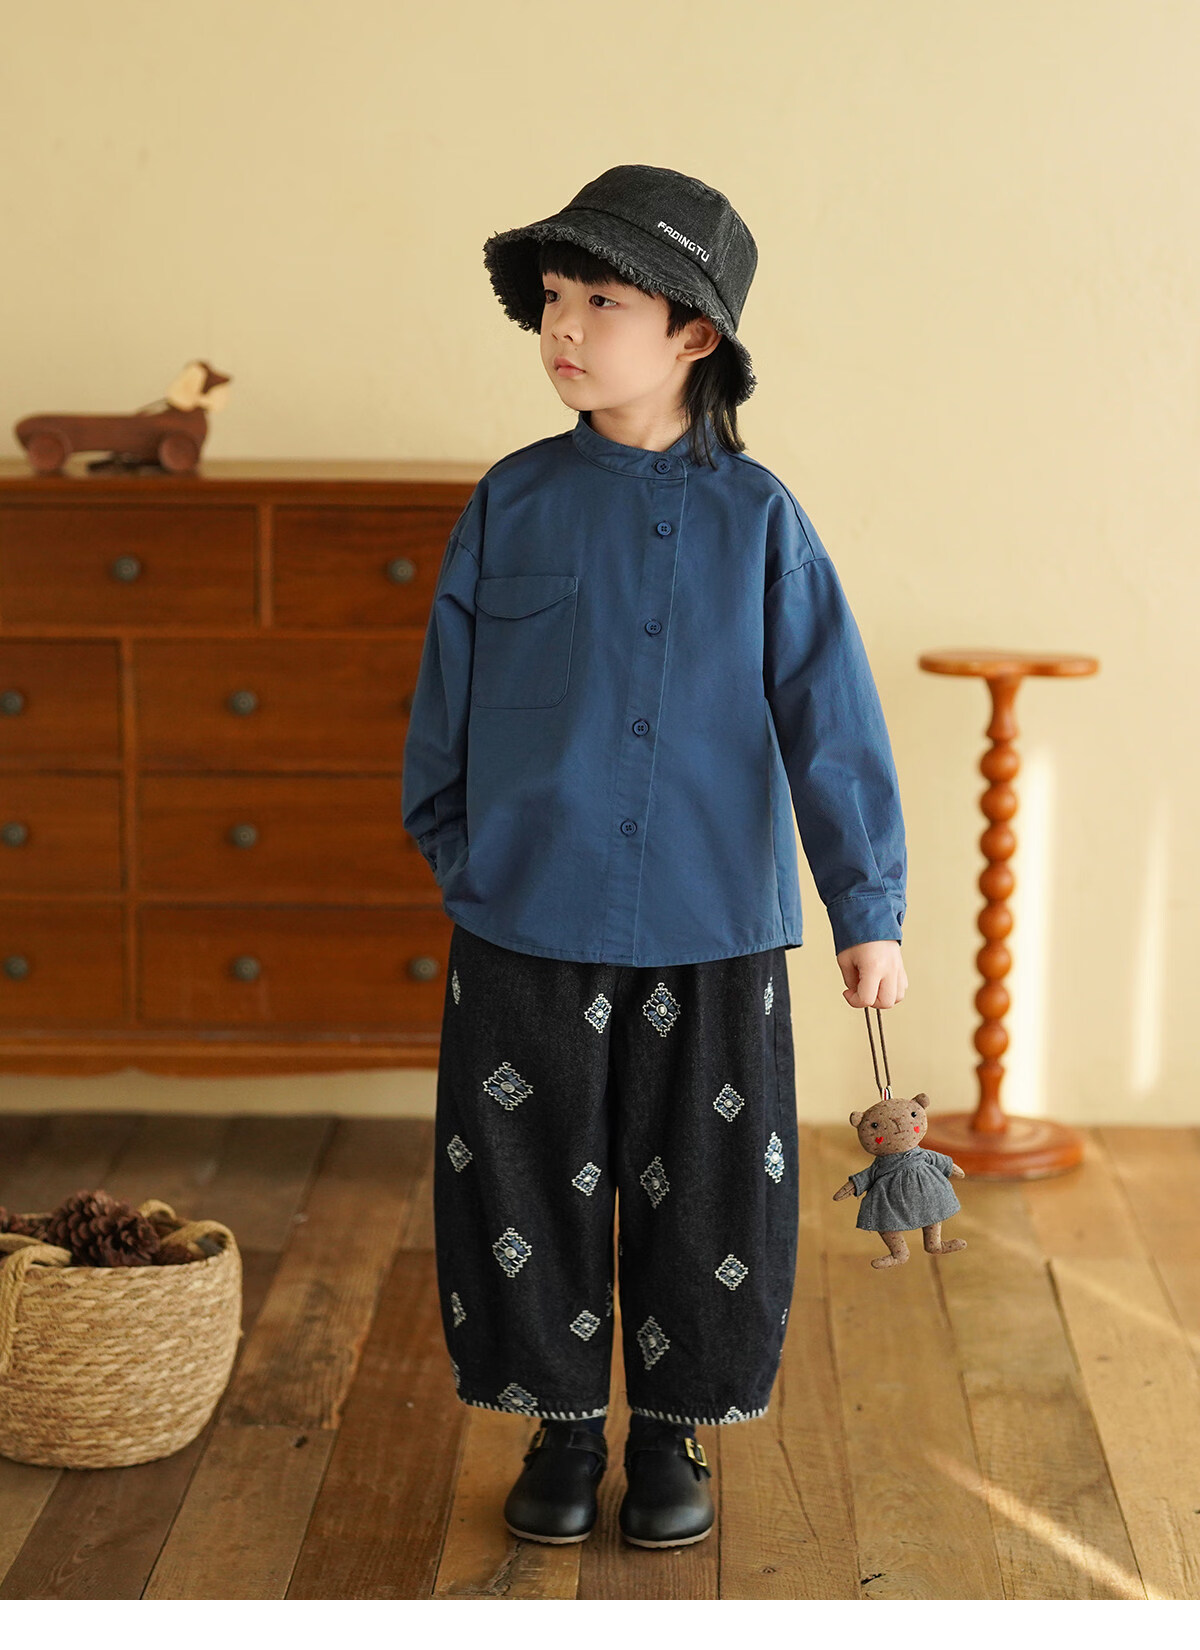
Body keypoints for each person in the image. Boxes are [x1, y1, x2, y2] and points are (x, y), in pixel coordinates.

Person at [401, 164, 908, 1549]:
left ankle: (673, 1430)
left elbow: (833, 721)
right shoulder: (511, 502)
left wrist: (867, 909)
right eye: (553, 299)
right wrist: (459, 858)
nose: (563, 327)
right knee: (517, 1173)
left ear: (693, 333)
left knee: (712, 1186)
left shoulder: (762, 521)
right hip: (525, 916)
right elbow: (444, 702)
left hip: (712, 919)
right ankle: (562, 1428)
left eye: (601, 302)